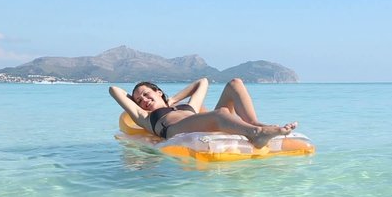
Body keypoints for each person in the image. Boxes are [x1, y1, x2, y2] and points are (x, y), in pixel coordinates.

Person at [109, 78, 298, 148]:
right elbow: (113, 89)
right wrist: (138, 103)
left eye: (146, 94)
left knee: (235, 83)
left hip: (199, 121)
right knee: (220, 113)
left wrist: (172, 100)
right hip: (174, 128)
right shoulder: (145, 117)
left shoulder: (187, 106)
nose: (143, 100)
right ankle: (255, 134)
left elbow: (203, 82)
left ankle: (256, 124)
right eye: (139, 100)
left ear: (158, 92)